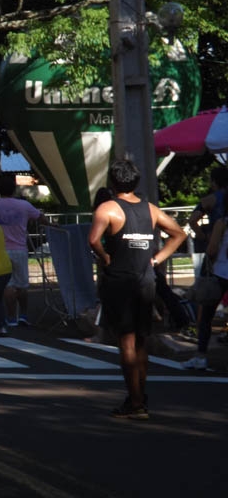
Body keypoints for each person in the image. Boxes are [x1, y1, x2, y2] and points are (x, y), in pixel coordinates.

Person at [88, 159, 186, 420]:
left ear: (112, 182)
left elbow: (93, 240)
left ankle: (135, 401)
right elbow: (179, 233)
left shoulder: (107, 208)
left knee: (127, 342)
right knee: (142, 340)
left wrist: (105, 258)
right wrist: (156, 259)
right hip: (145, 280)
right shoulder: (150, 209)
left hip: (119, 281)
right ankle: (139, 396)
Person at [0, 174, 50, 326]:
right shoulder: (24, 205)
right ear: (14, 190)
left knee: (8, 285)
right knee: (22, 285)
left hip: (0, 250)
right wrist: (52, 226)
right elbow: (40, 217)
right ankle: (23, 314)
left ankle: (10, 317)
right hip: (20, 248)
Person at [184, 191, 228, 370]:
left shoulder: (222, 222)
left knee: (207, 316)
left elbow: (211, 250)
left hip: (220, 272)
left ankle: (201, 356)